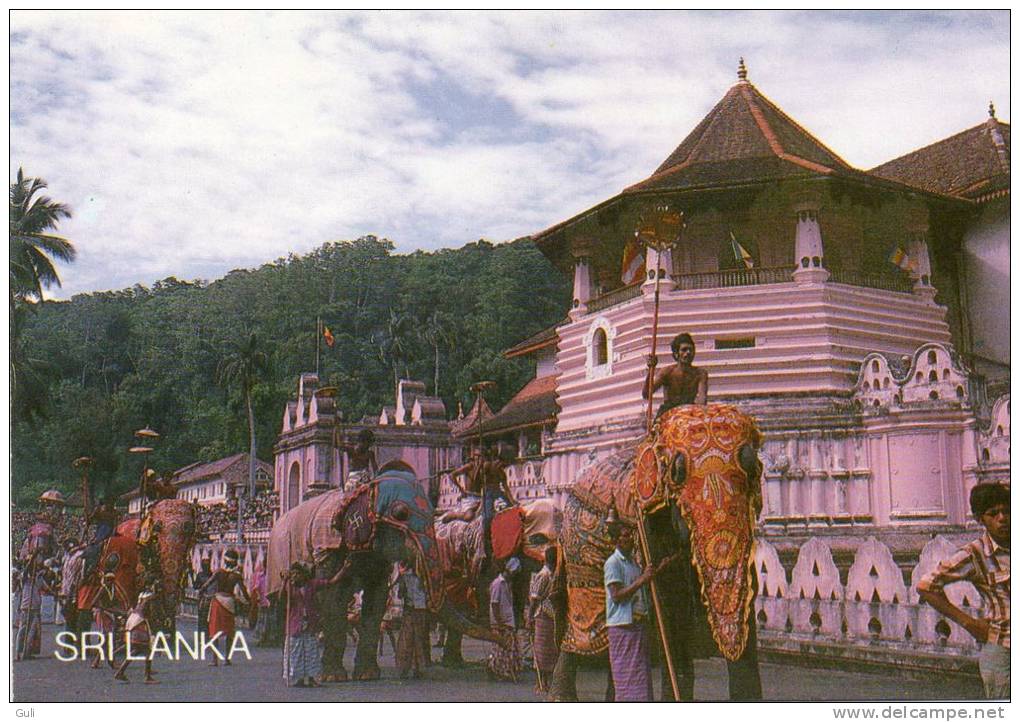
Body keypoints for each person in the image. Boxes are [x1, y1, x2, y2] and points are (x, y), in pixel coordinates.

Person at [918, 483, 1010, 699]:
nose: (1002, 518)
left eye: (1006, 511)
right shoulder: (975, 554)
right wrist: (970, 624)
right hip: (1004, 650)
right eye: (993, 514)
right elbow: (926, 586)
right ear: (980, 519)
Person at [604, 523, 673, 702]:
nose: (630, 540)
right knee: (627, 684)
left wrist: (656, 572)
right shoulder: (613, 563)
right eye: (625, 536)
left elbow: (642, 583)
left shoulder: (633, 563)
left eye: (630, 536)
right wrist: (643, 579)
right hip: (623, 629)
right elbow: (616, 595)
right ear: (616, 540)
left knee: (641, 684)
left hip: (638, 627)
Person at [282, 560, 349, 687]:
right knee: (296, 652)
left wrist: (344, 569)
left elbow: (331, 582)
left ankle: (312, 678)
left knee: (311, 652)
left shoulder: (311, 585)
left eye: (297, 573)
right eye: (293, 574)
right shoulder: (290, 587)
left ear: (303, 574)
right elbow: (282, 599)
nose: (295, 576)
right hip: (295, 625)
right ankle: (299, 678)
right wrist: (284, 582)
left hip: (309, 625)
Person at [198, 549, 250, 667]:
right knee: (229, 632)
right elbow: (245, 592)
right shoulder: (236, 576)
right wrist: (249, 602)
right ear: (235, 563)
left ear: (225, 561)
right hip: (230, 603)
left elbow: (205, 586)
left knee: (214, 632)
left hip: (217, 601)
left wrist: (202, 595)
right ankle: (227, 658)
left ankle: (214, 659)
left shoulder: (218, 573)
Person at [643, 332, 708, 420]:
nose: (688, 353)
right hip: (668, 414)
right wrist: (651, 370)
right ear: (676, 354)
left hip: (688, 413)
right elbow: (647, 394)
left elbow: (702, 400)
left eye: (691, 350)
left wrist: (699, 415)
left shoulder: (700, 374)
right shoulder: (667, 372)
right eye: (684, 350)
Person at [528, 546, 560, 695]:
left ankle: (547, 682)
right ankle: (540, 683)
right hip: (542, 614)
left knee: (549, 650)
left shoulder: (554, 574)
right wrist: (530, 617)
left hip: (551, 615)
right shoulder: (544, 575)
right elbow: (535, 598)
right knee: (540, 650)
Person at [487, 557, 522, 682]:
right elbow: (494, 604)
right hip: (501, 621)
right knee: (501, 648)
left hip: (507, 619)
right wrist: (499, 622)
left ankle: (505, 671)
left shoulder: (507, 584)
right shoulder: (498, 584)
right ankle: (496, 670)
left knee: (508, 648)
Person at [113, 589, 158, 683]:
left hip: (134, 621)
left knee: (137, 650)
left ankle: (121, 672)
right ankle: (147, 676)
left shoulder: (141, 598)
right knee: (146, 650)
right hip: (140, 624)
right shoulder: (150, 600)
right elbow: (150, 614)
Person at [395, 560, 429, 679]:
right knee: (418, 638)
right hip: (420, 607)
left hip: (411, 608)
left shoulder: (405, 576)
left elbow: (400, 594)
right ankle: (419, 667)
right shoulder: (423, 573)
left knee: (407, 638)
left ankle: (405, 667)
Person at [192, 557, 214, 635]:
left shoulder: (204, 575)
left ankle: (203, 634)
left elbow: (195, 586)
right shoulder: (212, 575)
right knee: (204, 618)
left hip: (206, 600)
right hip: (206, 599)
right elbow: (195, 586)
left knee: (204, 619)